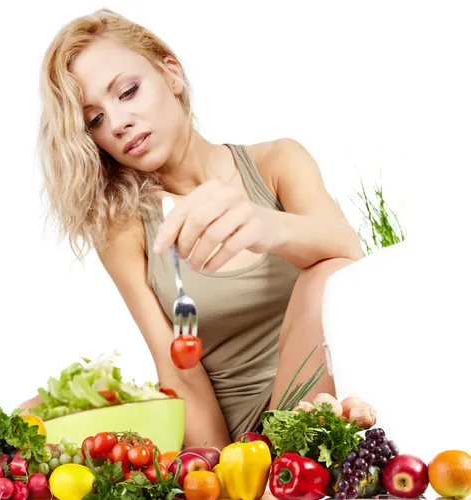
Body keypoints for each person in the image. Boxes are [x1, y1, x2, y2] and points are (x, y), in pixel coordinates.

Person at [20, 8, 364, 450]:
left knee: (323, 276)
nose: (118, 122)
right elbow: (180, 372)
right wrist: (217, 479)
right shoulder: (125, 229)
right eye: (95, 120)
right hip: (252, 449)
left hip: (337, 406)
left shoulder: (278, 164)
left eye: (127, 91)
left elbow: (348, 255)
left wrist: (267, 227)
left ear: (171, 73)